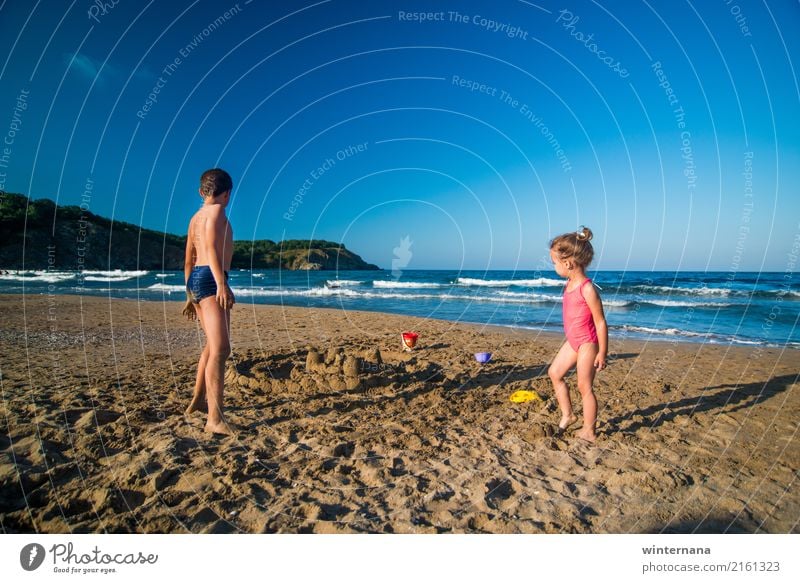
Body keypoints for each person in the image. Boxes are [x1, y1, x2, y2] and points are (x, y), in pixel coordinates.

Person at [182, 168, 236, 435]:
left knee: (211, 346)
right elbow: (213, 251)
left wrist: (189, 294)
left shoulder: (195, 218)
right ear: (226, 194)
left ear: (201, 192)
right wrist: (221, 284)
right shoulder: (217, 212)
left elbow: (188, 260)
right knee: (221, 349)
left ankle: (197, 401)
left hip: (196, 279)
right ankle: (214, 419)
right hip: (212, 278)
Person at [547, 226, 607, 443]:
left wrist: (603, 352)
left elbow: (600, 322)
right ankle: (568, 415)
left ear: (568, 263)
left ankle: (589, 431)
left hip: (587, 343)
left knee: (584, 386)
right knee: (555, 373)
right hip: (573, 341)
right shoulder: (570, 283)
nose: (553, 266)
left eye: (554, 262)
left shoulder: (587, 289)